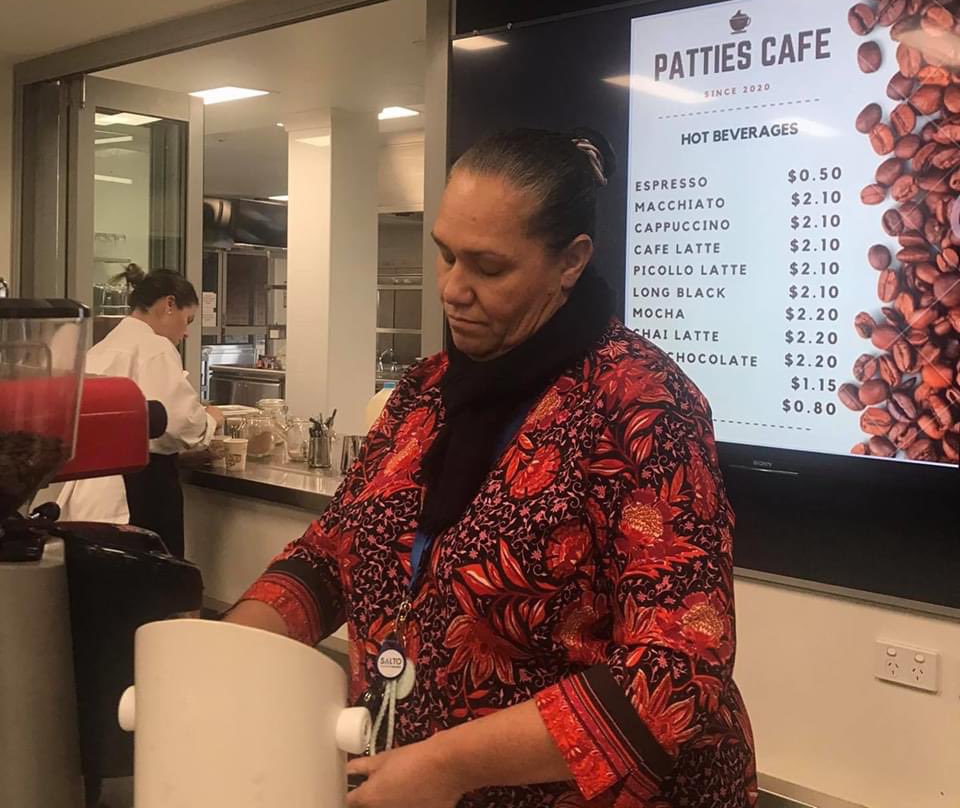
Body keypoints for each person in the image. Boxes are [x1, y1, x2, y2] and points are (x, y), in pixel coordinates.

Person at [226, 128, 757, 808]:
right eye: (446, 256)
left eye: (488, 267)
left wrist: (449, 766)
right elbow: (333, 554)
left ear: (570, 261)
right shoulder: (426, 392)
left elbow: (676, 673)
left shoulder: (642, 407)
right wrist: (226, 655)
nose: (452, 289)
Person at [57, 266, 223, 557]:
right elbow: (181, 424)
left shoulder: (103, 348)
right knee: (156, 589)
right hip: (138, 492)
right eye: (187, 320)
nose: (185, 332)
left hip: (88, 493)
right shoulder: (154, 347)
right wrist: (211, 420)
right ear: (168, 304)